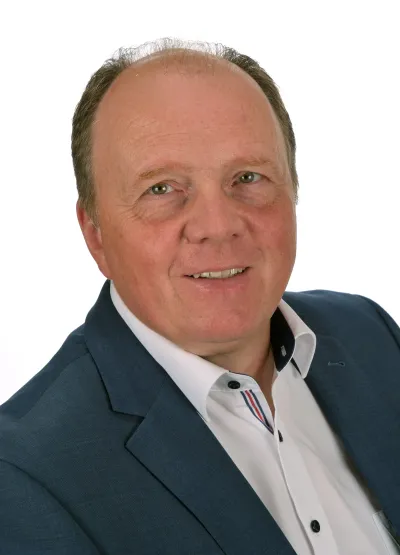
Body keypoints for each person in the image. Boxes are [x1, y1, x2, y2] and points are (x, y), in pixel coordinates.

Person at [0, 37, 399, 555]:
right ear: (94, 232)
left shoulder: (370, 336)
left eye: (248, 177)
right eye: (162, 189)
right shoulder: (24, 479)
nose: (217, 225)